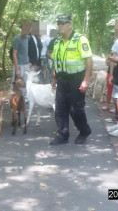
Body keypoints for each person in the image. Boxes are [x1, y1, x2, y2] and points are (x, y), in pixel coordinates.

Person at [49, 14, 93, 145]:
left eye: (63, 23)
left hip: (76, 78)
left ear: (70, 25)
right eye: (59, 23)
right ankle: (63, 135)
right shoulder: (57, 42)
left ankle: (84, 131)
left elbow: (89, 60)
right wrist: (54, 79)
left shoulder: (80, 39)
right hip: (62, 79)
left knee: (76, 109)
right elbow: (56, 62)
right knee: (60, 109)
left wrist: (86, 80)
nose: (60, 26)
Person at [11, 22, 31, 94]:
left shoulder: (28, 37)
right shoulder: (17, 38)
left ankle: (23, 99)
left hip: (26, 64)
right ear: (21, 28)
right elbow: (14, 54)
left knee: (25, 83)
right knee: (16, 83)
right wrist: (17, 69)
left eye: (28, 28)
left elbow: (26, 51)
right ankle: (13, 100)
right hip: (19, 65)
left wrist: (29, 62)